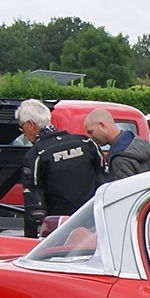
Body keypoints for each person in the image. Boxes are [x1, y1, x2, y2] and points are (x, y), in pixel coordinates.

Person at [16, 98, 103, 238]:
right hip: (94, 224)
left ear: (31, 124)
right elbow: (105, 184)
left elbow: (34, 209)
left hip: (61, 230)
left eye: (21, 127)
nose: (22, 132)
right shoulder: (86, 143)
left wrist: (29, 242)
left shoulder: (35, 156)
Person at [84, 107, 150, 181]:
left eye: (91, 132)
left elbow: (124, 191)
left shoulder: (119, 159)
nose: (91, 137)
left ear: (102, 125)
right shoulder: (138, 142)